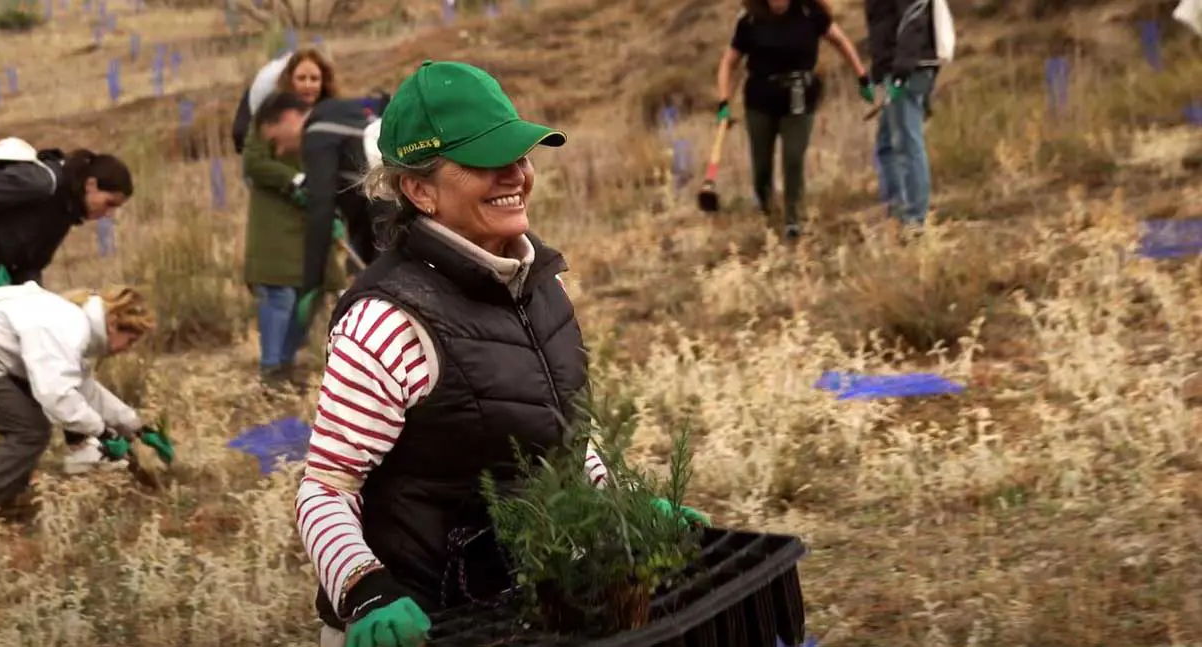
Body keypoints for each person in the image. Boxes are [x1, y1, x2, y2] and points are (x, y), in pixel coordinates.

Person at [293, 60, 709, 647]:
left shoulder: (544, 286)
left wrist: (628, 511)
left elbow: (567, 439)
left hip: (523, 604)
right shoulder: (387, 321)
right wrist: (366, 589)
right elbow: (327, 489)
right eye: (486, 161)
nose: (515, 172)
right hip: (417, 624)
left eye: (520, 153)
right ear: (419, 190)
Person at [0, 145, 134, 473]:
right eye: (109, 203)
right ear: (90, 185)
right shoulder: (39, 183)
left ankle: (79, 445)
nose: (109, 213)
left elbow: (30, 264)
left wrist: (40, 302)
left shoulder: (63, 211)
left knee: (40, 355)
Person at [0, 283, 156, 530]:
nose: (127, 350)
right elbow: (57, 396)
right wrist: (104, 433)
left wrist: (137, 427)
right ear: (113, 323)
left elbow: (84, 389)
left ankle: (1, 498)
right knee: (30, 432)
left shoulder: (74, 322)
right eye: (129, 341)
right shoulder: (68, 326)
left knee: (30, 427)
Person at [716, 0, 871, 240]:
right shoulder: (750, 20)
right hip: (760, 101)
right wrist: (724, 102)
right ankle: (770, 214)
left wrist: (862, 77)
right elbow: (729, 62)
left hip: (799, 99)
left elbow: (841, 42)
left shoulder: (811, 13)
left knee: (793, 157)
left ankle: (793, 219)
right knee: (761, 168)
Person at [241, 48, 345, 392]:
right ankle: (272, 372)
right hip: (277, 218)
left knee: (312, 292)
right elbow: (253, 163)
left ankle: (286, 363)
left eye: (315, 78)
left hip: (317, 216)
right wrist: (293, 180)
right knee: (280, 293)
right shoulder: (272, 115)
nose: (308, 84)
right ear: (290, 79)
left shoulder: (332, 116)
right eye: (302, 77)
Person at [248, 88, 392, 322]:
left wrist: (311, 284)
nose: (282, 151)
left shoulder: (317, 133)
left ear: (288, 117)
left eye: (275, 142)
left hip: (388, 217)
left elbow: (320, 208)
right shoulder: (345, 110)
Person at [865, 0, 940, 232]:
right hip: (898, 68)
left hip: (907, 70)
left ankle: (914, 219)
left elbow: (913, 20)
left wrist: (900, 72)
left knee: (907, 143)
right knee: (887, 145)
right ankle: (896, 212)